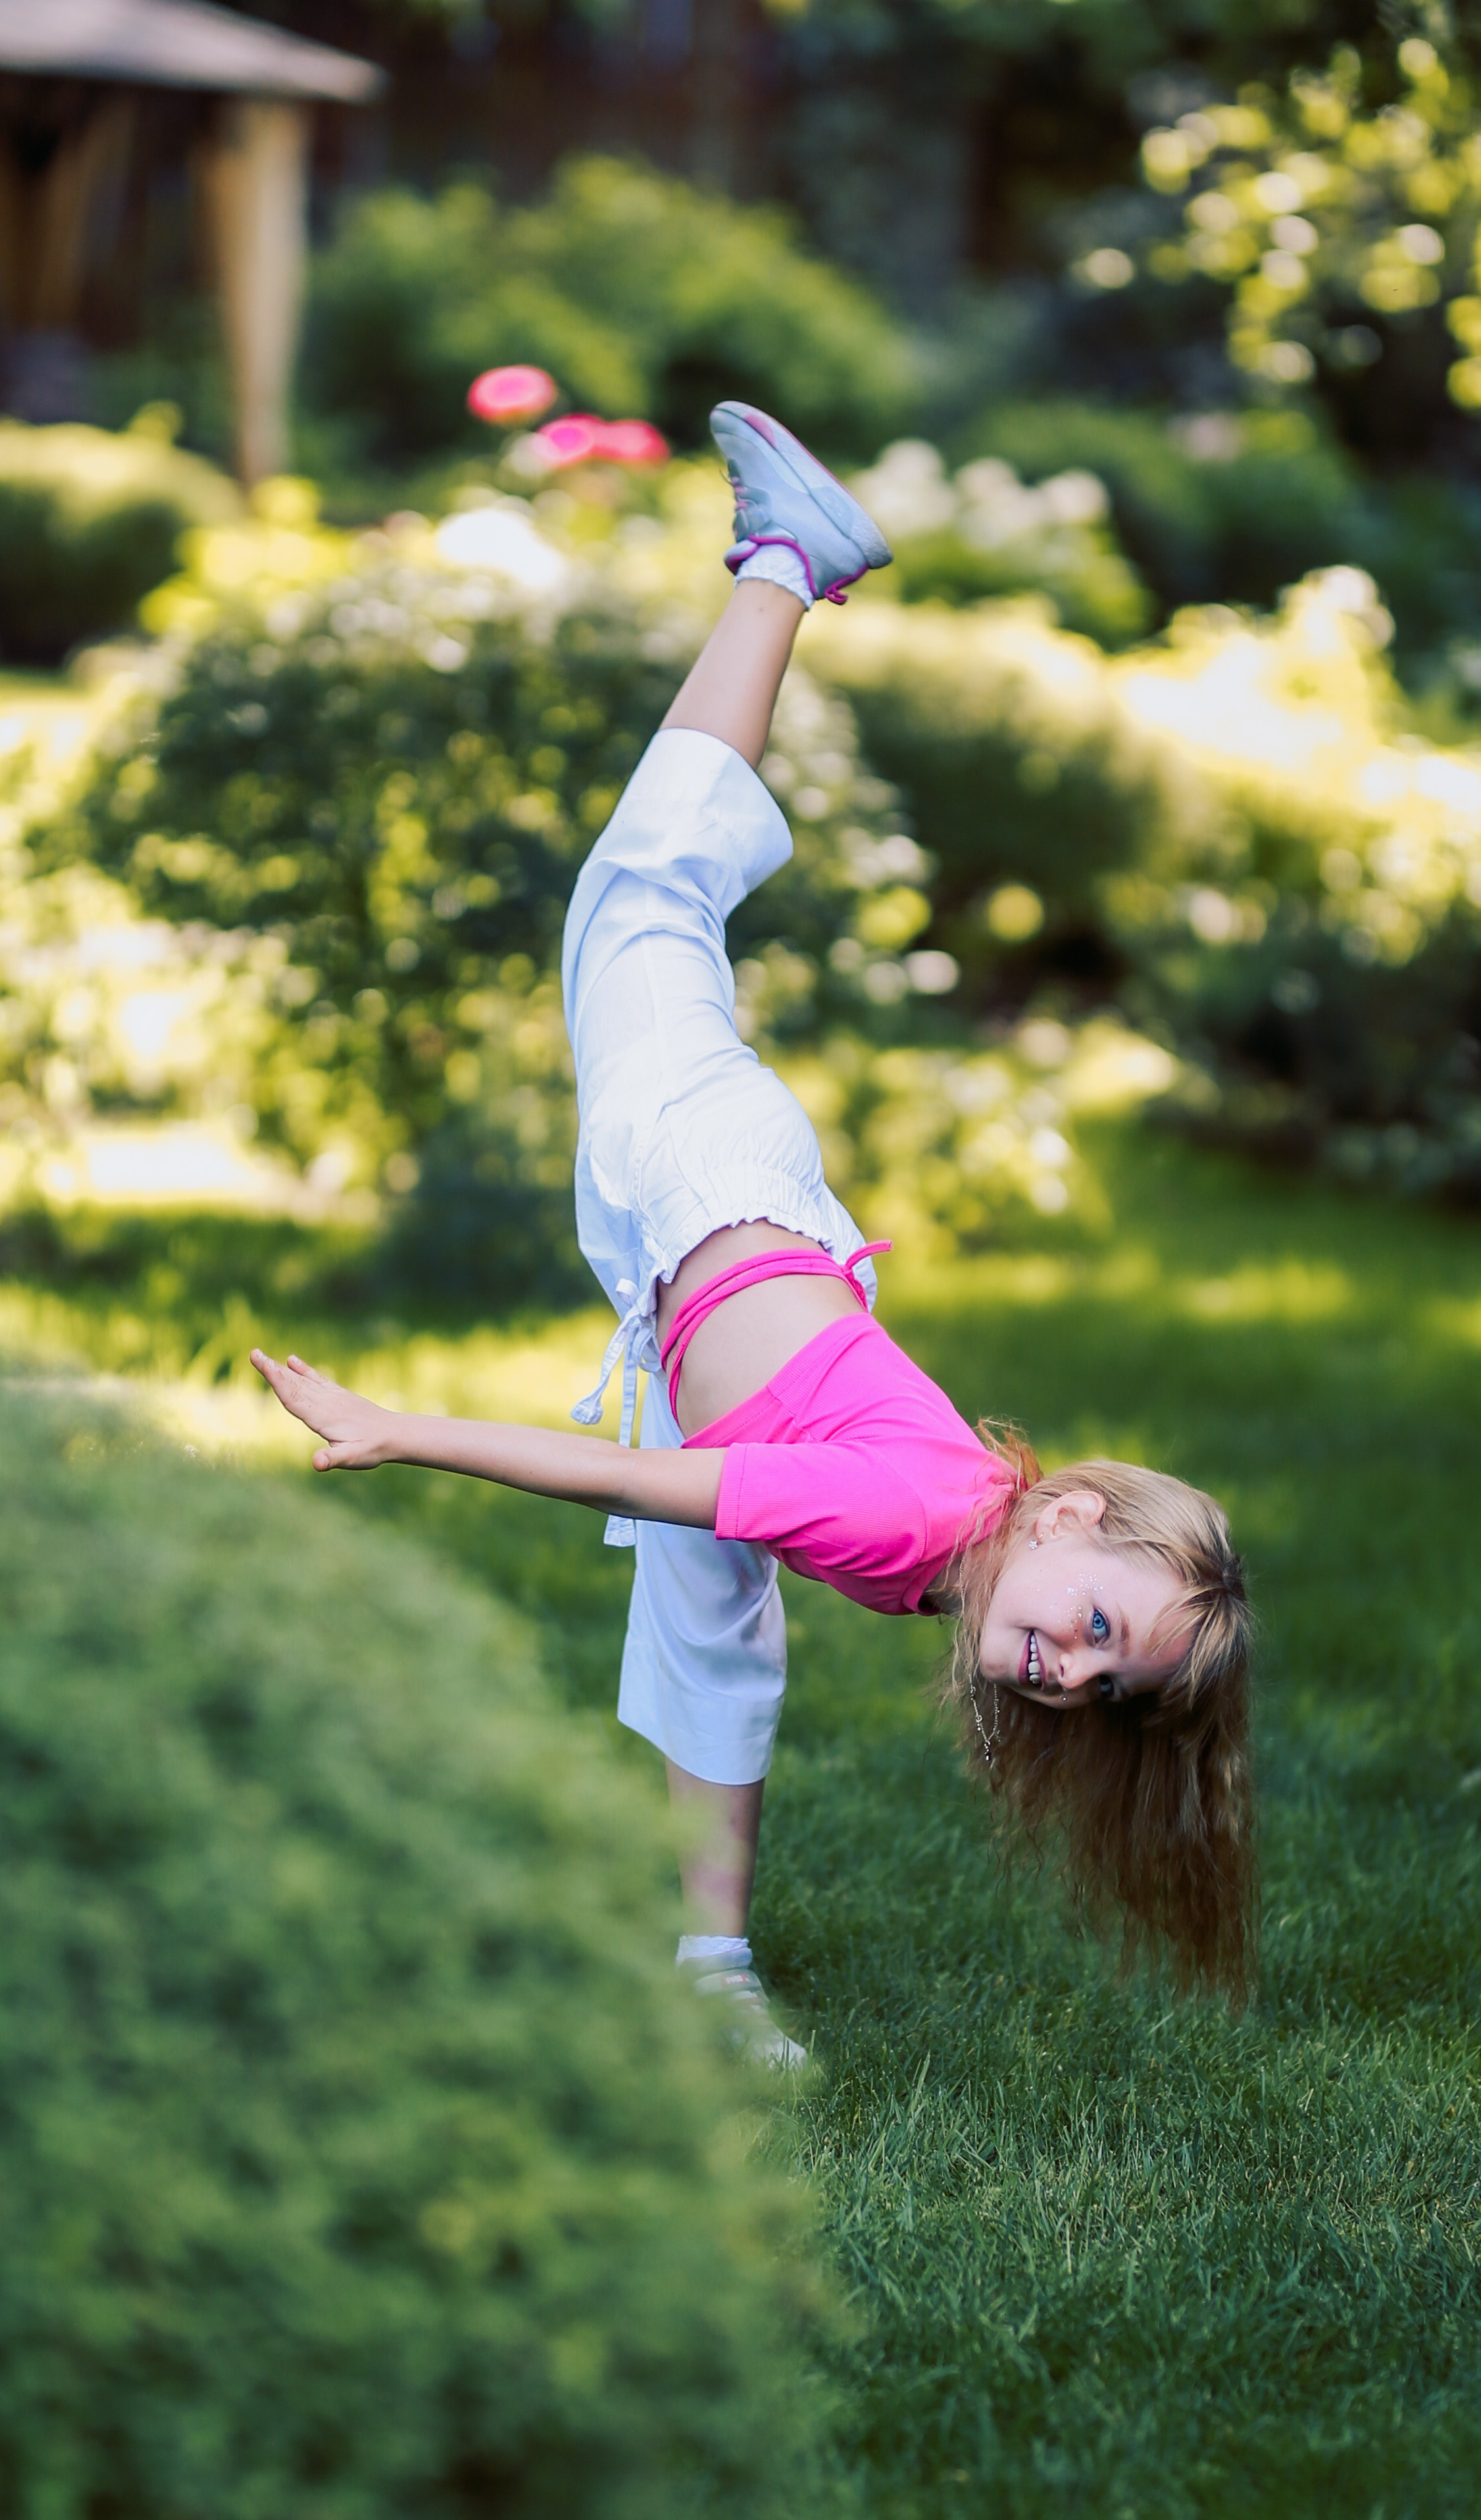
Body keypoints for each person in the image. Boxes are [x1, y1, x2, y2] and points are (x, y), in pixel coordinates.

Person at [252, 401, 1255, 2067]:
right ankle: (788, 555)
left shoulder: (960, 1540)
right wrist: (398, 1431)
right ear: (1071, 1509)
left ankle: (710, 1964)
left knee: (712, 1637)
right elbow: (656, 1478)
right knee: (645, 897)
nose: (1071, 1676)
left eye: (1106, 1686)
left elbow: (685, 1494)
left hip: (708, 1250)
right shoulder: (910, 1516)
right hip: (707, 1184)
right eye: (1096, 1624)